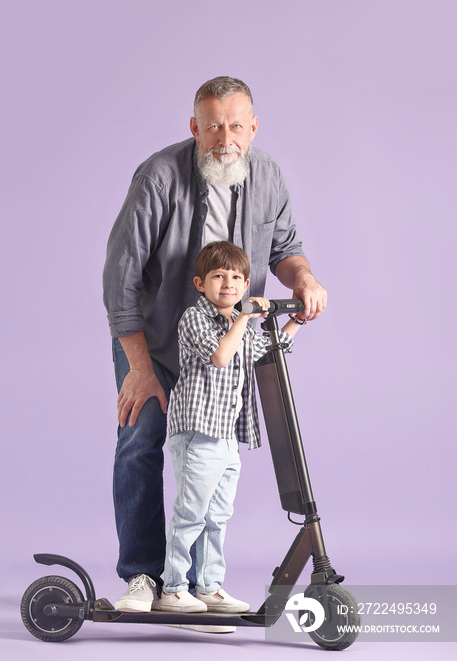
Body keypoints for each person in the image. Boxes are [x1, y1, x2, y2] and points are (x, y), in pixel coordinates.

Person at [103, 76, 327, 615]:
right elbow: (121, 276)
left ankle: (200, 586)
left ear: (252, 127)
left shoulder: (268, 175)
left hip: (223, 352)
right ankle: (142, 577)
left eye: (235, 125)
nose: (224, 137)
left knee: (207, 465)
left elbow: (286, 248)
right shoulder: (159, 176)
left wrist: (304, 279)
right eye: (212, 127)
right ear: (194, 129)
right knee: (141, 445)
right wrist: (137, 365)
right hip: (154, 341)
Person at [159, 242, 304, 613]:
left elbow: (266, 349)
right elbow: (221, 357)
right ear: (200, 283)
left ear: (246, 282)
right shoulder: (196, 318)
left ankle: (208, 587)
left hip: (226, 438)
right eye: (218, 276)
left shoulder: (234, 325)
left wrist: (296, 319)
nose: (228, 283)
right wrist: (245, 316)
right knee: (191, 513)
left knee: (217, 516)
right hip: (197, 432)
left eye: (237, 277)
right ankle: (173, 588)